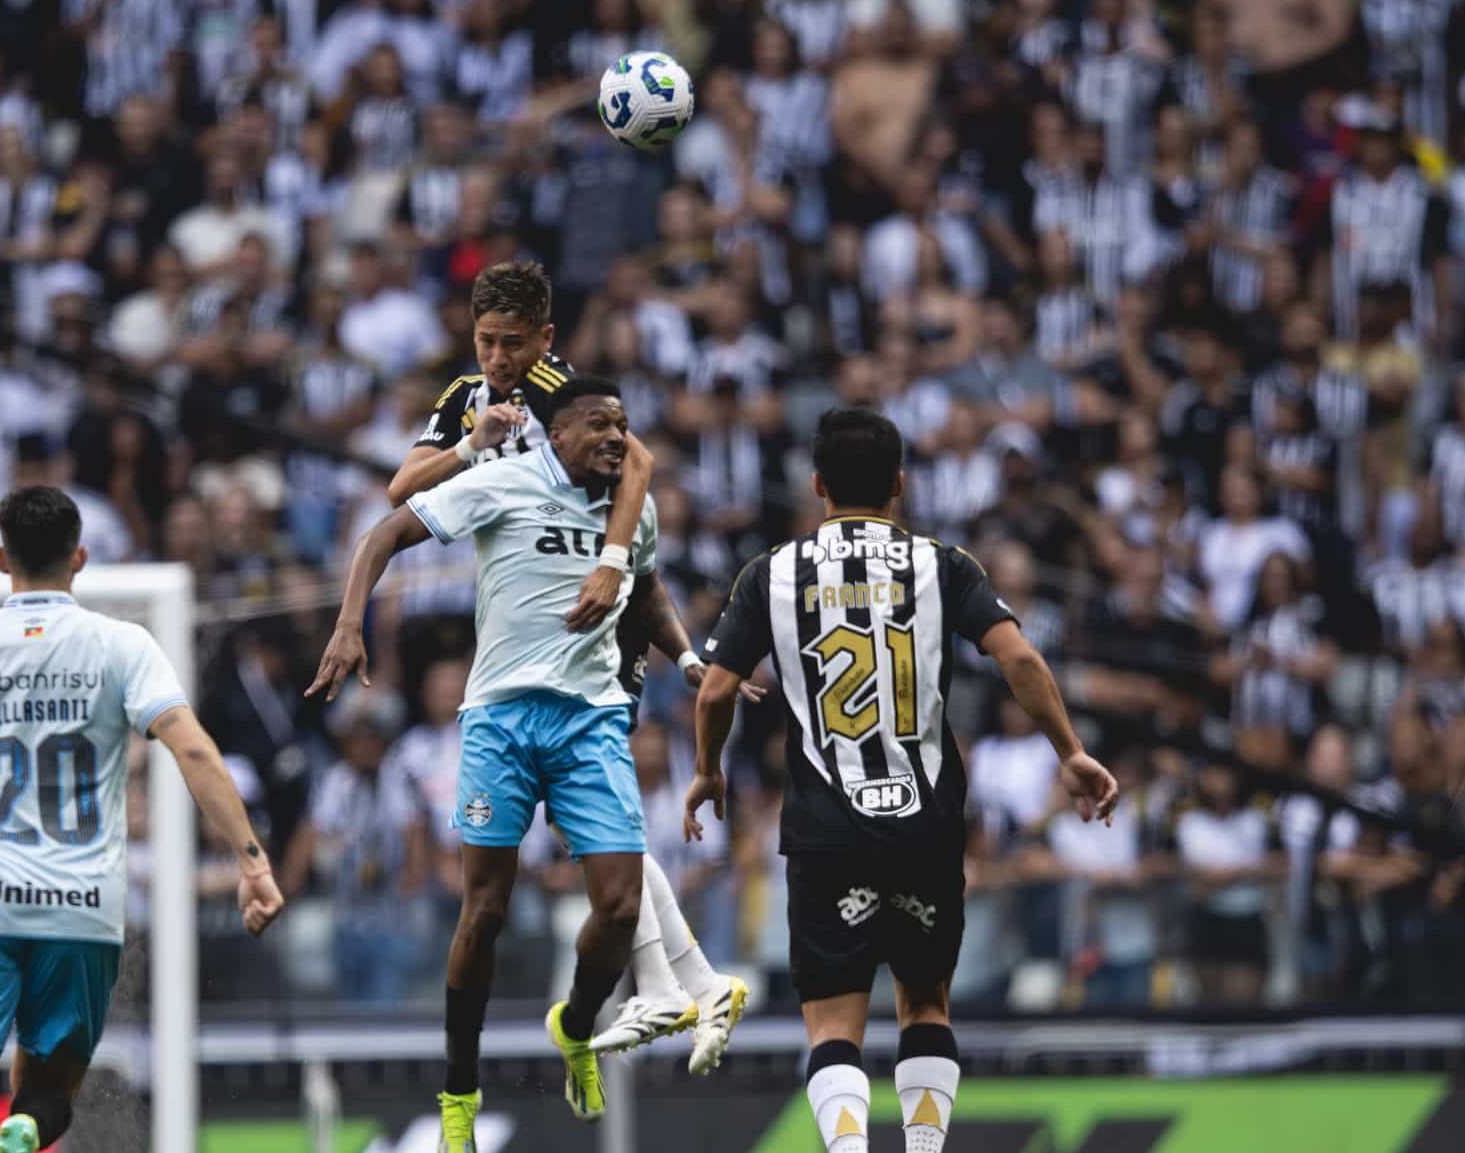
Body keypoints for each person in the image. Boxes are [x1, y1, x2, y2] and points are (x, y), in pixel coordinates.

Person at [684, 409, 1118, 1153]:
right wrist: (1068, 749)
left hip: (825, 826)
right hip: (924, 818)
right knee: (924, 1003)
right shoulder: (942, 563)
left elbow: (716, 689)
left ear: (817, 485)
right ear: (899, 484)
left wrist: (706, 769)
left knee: (830, 1018)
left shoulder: (772, 571)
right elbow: (1018, 657)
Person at [0, 486, 284, 1153]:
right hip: (83, 904)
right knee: (51, 1088)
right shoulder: (121, 643)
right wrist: (250, 858)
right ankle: (26, 1128)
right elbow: (192, 747)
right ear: (80, 557)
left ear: (1, 557)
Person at [384, 260, 753, 1074]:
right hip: (523, 628)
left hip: (589, 621)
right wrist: (470, 448)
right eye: (485, 342)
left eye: (512, 344)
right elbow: (400, 488)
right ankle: (683, 976)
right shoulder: (465, 396)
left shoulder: (559, 386)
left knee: (604, 821)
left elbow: (641, 468)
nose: (498, 359)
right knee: (592, 827)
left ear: (544, 340)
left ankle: (668, 980)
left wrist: (611, 563)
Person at [310, 377, 661, 1150]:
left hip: (589, 720)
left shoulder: (630, 509)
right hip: (499, 721)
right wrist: (348, 624)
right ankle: (459, 1089)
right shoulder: (501, 480)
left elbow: (648, 593)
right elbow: (380, 534)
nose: (615, 438)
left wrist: (693, 657)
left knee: (620, 907)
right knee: (485, 911)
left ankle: (574, 1023)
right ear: (557, 433)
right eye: (599, 425)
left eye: (623, 425)